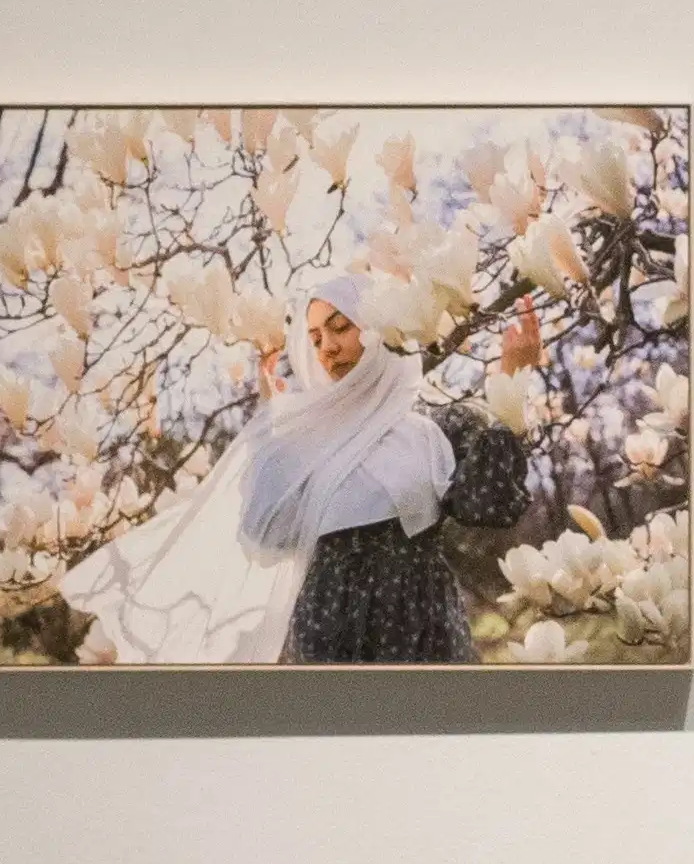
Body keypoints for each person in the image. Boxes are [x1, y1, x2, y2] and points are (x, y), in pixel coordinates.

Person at [63, 278, 540, 663]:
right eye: (315, 338)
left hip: (422, 629)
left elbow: (490, 505)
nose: (327, 348)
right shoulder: (305, 439)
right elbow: (265, 533)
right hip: (328, 631)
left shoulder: (436, 426)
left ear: (375, 331)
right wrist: (275, 431)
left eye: (340, 327)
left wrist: (511, 383)